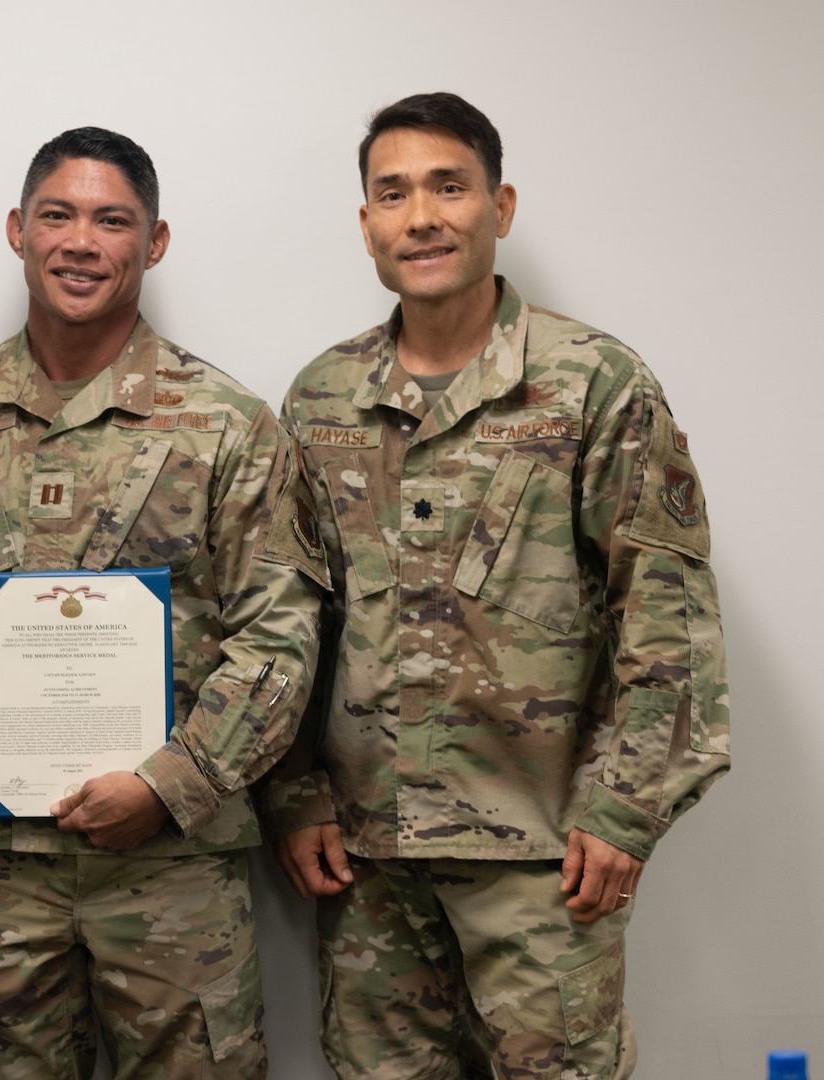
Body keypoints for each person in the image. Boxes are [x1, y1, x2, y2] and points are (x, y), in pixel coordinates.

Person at [0, 126, 328, 1078]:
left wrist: (167, 785)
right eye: (57, 216)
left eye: (112, 221)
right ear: (18, 230)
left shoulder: (229, 427)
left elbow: (280, 640)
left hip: (172, 863)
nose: (80, 241)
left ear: (154, 244)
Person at [268, 91, 730, 1080]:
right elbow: (286, 620)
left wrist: (621, 813)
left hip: (543, 865)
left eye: (449, 186)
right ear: (366, 225)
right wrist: (295, 795)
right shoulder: (320, 398)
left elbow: (668, 620)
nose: (421, 216)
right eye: (392, 194)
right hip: (368, 862)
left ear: (501, 206)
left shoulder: (594, 384)